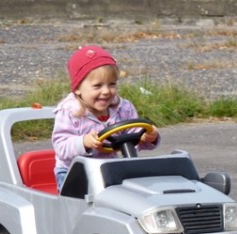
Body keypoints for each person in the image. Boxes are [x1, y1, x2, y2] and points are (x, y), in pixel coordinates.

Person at [52, 45, 160, 190]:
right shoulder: (69, 112)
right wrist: (83, 142)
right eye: (97, 86)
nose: (106, 91)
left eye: (112, 84)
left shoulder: (123, 108)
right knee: (87, 196)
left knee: (137, 190)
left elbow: (133, 135)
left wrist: (148, 136)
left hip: (109, 168)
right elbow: (61, 146)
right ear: (77, 88)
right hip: (74, 172)